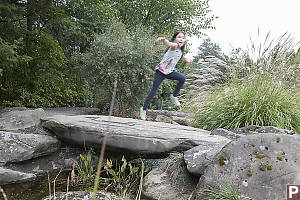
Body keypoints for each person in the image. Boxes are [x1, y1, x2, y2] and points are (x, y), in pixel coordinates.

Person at [140, 31, 192, 120]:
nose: (181, 39)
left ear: (184, 41)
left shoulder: (180, 52)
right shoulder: (174, 46)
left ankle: (174, 96)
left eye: (183, 38)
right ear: (175, 39)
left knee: (182, 78)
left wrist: (188, 60)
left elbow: (183, 58)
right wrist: (163, 40)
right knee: (154, 91)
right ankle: (143, 109)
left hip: (170, 72)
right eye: (179, 37)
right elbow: (168, 43)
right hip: (160, 71)